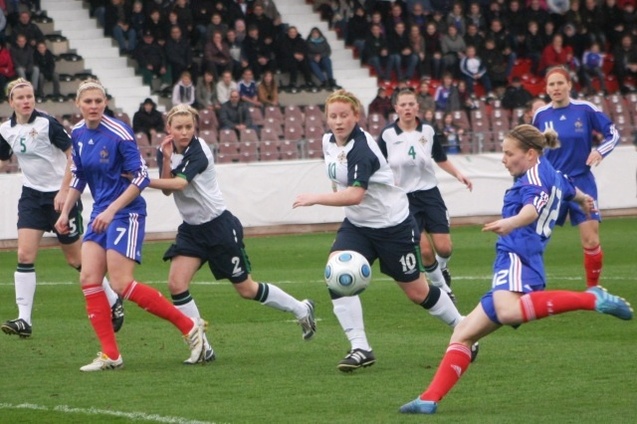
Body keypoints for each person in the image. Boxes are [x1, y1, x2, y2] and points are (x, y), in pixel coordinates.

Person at [399, 124, 633, 415]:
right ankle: (428, 399)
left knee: (508, 311)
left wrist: (511, 223)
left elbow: (531, 209)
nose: (503, 159)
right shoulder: (549, 171)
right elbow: (569, 188)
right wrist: (584, 198)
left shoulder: (533, 179)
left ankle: (591, 299)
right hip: (526, 257)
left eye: (509, 154)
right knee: (462, 333)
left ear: (531, 154)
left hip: (516, 256)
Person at [293, 89, 474, 372]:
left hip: (392, 226)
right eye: (333, 116)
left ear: (357, 116)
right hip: (357, 226)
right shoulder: (328, 141)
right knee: (336, 275)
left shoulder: (362, 148)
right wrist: (332, 188)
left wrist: (314, 198)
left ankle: (465, 329)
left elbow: (355, 194)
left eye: (344, 115)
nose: (338, 121)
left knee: (417, 292)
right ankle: (360, 347)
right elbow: (340, 179)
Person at [54, 79, 207, 371]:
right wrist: (65, 211)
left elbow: (140, 178)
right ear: (78, 104)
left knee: (121, 283)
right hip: (101, 211)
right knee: (88, 278)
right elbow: (78, 174)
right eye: (88, 102)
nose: (94, 106)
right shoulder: (77, 133)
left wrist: (112, 210)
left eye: (99, 101)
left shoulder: (119, 132)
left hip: (126, 211)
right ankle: (111, 354)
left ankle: (189, 327)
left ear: (105, 102)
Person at [144, 104, 316, 360]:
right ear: (168, 128)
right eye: (178, 127)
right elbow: (168, 189)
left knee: (246, 289)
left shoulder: (200, 150)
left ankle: (300, 308)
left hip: (218, 228)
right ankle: (202, 347)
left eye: (188, 127)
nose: (184, 132)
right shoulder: (165, 150)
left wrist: (141, 180)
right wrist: (166, 159)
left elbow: (179, 184)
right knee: (176, 284)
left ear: (195, 127)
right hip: (192, 230)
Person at [0, 78, 124, 339]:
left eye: (30, 97)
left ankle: (113, 299)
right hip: (32, 196)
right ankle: (24, 319)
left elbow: (73, 155)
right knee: (24, 254)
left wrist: (65, 190)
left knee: (75, 259)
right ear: (10, 102)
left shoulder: (47, 124)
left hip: (60, 197)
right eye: (20, 98)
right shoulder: (6, 130)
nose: (26, 101)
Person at [378, 88, 472, 302]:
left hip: (429, 194)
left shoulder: (428, 131)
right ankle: (444, 290)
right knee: (425, 250)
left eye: (411, 104)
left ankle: (443, 268)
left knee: (444, 248)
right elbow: (378, 164)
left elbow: (440, 157)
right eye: (403, 104)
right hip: (403, 199)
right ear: (396, 108)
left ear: (418, 106)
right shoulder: (387, 135)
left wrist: (459, 174)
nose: (407, 108)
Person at [532, 66, 620, 288]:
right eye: (551, 84)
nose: (556, 88)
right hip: (552, 185)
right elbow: (532, 148)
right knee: (534, 239)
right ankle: (529, 285)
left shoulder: (585, 109)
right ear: (546, 88)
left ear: (569, 85)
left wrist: (600, 151)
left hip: (582, 182)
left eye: (560, 83)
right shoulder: (541, 115)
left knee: (591, 239)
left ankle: (594, 289)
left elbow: (613, 132)